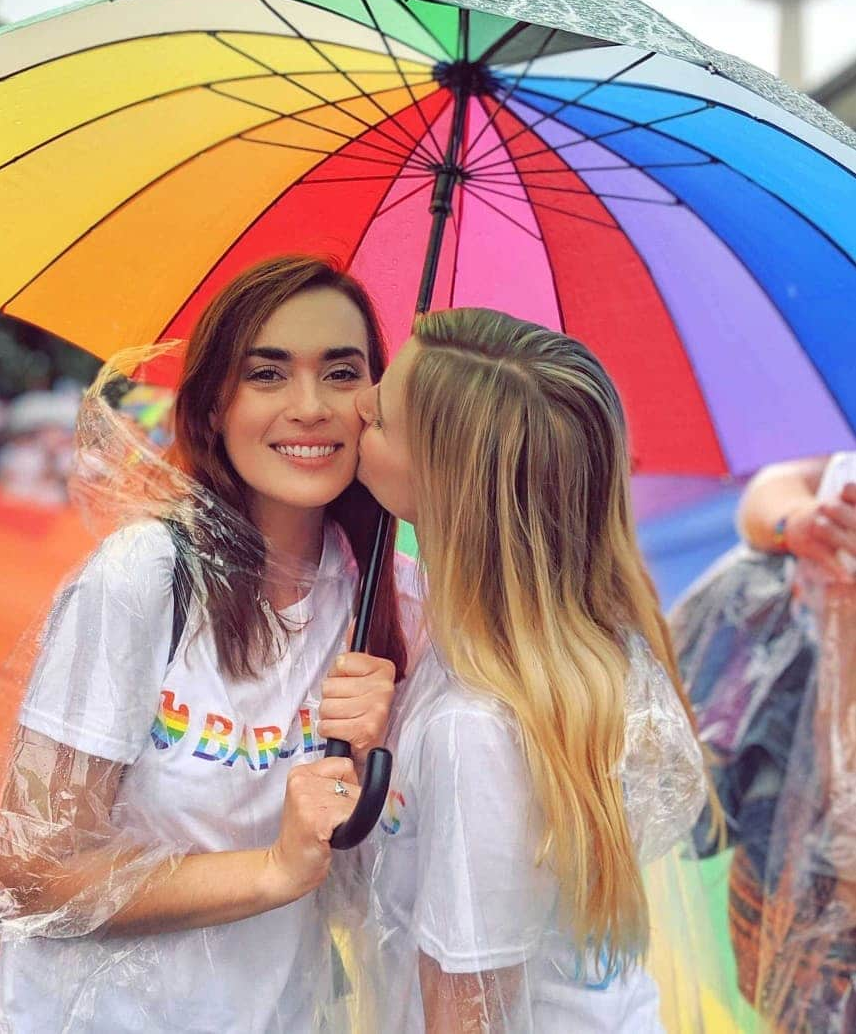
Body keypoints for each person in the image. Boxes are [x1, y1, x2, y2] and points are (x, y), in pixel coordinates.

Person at [0, 255, 421, 1033]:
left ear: (374, 406)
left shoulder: (395, 600)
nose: (309, 407)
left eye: (341, 374)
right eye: (267, 375)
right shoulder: (145, 577)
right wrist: (270, 870)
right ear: (212, 405)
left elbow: (370, 895)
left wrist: (371, 767)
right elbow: (35, 872)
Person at [351, 308, 708, 1033]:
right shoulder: (590, 651)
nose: (358, 401)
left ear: (446, 484)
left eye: (382, 414)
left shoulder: (471, 728)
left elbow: (467, 1013)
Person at [674, 453, 856, 1032]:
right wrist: (800, 524)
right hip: (790, 809)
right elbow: (772, 490)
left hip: (829, 837)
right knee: (784, 996)